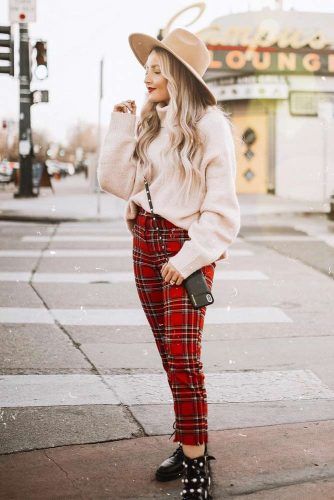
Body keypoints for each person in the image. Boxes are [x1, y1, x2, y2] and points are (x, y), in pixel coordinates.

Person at [97, 27, 241, 500]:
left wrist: (190, 256)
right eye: (145, 70)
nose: (148, 77)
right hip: (146, 246)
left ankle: (197, 466)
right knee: (168, 354)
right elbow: (117, 182)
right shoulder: (154, 123)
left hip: (186, 248)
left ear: (179, 75)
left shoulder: (209, 124)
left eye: (158, 69)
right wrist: (122, 128)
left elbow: (222, 209)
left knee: (184, 359)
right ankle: (186, 440)